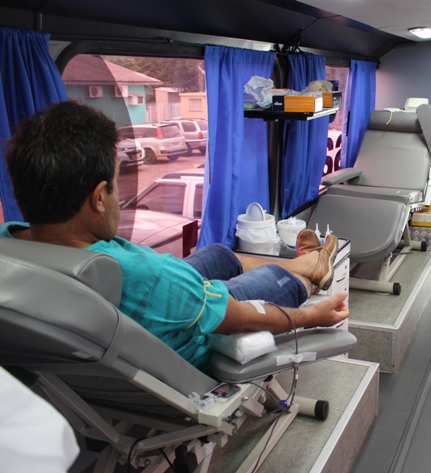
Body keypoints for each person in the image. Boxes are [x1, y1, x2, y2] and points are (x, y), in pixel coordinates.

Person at [0, 101, 349, 372]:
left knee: (218, 254)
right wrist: (313, 317)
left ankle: (307, 263)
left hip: (148, 302)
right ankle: (307, 273)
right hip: (189, 325)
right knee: (276, 278)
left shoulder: (9, 244)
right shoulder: (147, 275)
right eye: (116, 185)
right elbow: (241, 317)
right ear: (98, 199)